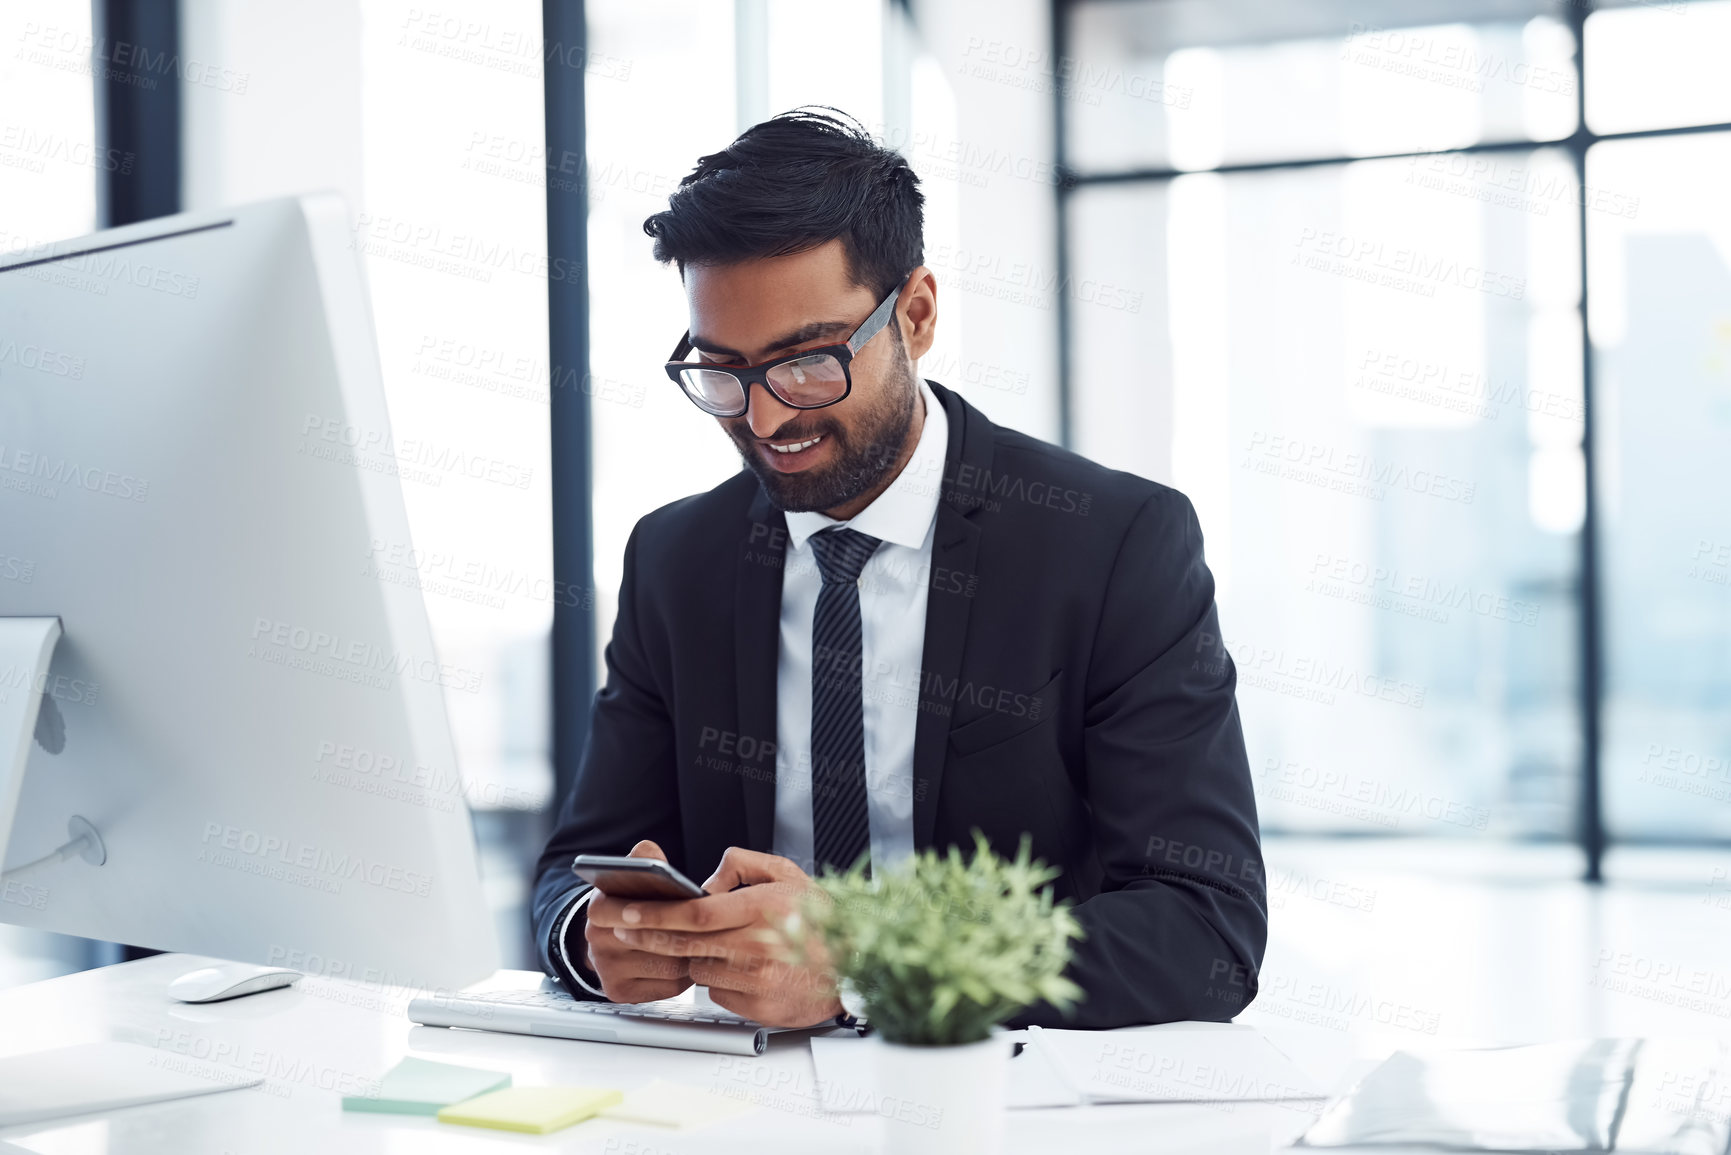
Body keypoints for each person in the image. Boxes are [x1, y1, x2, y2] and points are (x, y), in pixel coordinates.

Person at [532, 108, 1266, 1030]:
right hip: (729, 1098)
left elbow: (1204, 930)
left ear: (913, 316)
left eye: (804, 364)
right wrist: (596, 938)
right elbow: (579, 865)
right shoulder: (677, 557)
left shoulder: (1114, 543)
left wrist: (863, 966)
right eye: (721, 372)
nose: (762, 421)